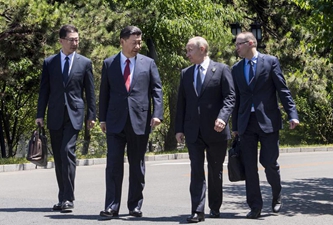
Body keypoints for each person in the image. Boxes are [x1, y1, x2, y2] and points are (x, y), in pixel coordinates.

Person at [231, 31, 299, 219]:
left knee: (269, 162)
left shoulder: (270, 62)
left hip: (268, 121)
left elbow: (283, 90)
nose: (236, 47)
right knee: (249, 166)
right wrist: (235, 125)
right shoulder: (236, 69)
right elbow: (236, 99)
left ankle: (276, 192)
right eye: (236, 44)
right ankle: (255, 206)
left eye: (239, 44)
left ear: (251, 43)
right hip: (246, 123)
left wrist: (292, 114)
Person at [98, 25, 163, 219]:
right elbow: (104, 93)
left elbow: (156, 90)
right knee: (113, 165)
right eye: (134, 42)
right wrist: (102, 118)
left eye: (140, 42)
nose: (138, 46)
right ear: (122, 41)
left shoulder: (148, 63)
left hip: (140, 121)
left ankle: (135, 205)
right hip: (115, 121)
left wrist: (157, 114)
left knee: (137, 165)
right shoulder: (109, 63)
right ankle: (111, 206)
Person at [36, 24, 96, 212]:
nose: (75, 43)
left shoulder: (84, 63)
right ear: (61, 41)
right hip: (54, 115)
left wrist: (91, 115)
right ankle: (62, 197)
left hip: (74, 114)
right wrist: (39, 115)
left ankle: (69, 199)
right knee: (59, 157)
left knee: (67, 151)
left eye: (77, 39)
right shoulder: (50, 63)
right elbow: (44, 90)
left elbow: (90, 91)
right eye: (71, 40)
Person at [175, 36, 235, 223]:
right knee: (196, 171)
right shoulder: (186, 73)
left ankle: (214, 207)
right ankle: (197, 210)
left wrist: (223, 118)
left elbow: (230, 97)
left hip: (216, 130)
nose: (187, 54)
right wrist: (179, 129)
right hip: (193, 131)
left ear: (202, 49)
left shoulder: (222, 69)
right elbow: (181, 103)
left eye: (190, 50)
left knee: (215, 171)